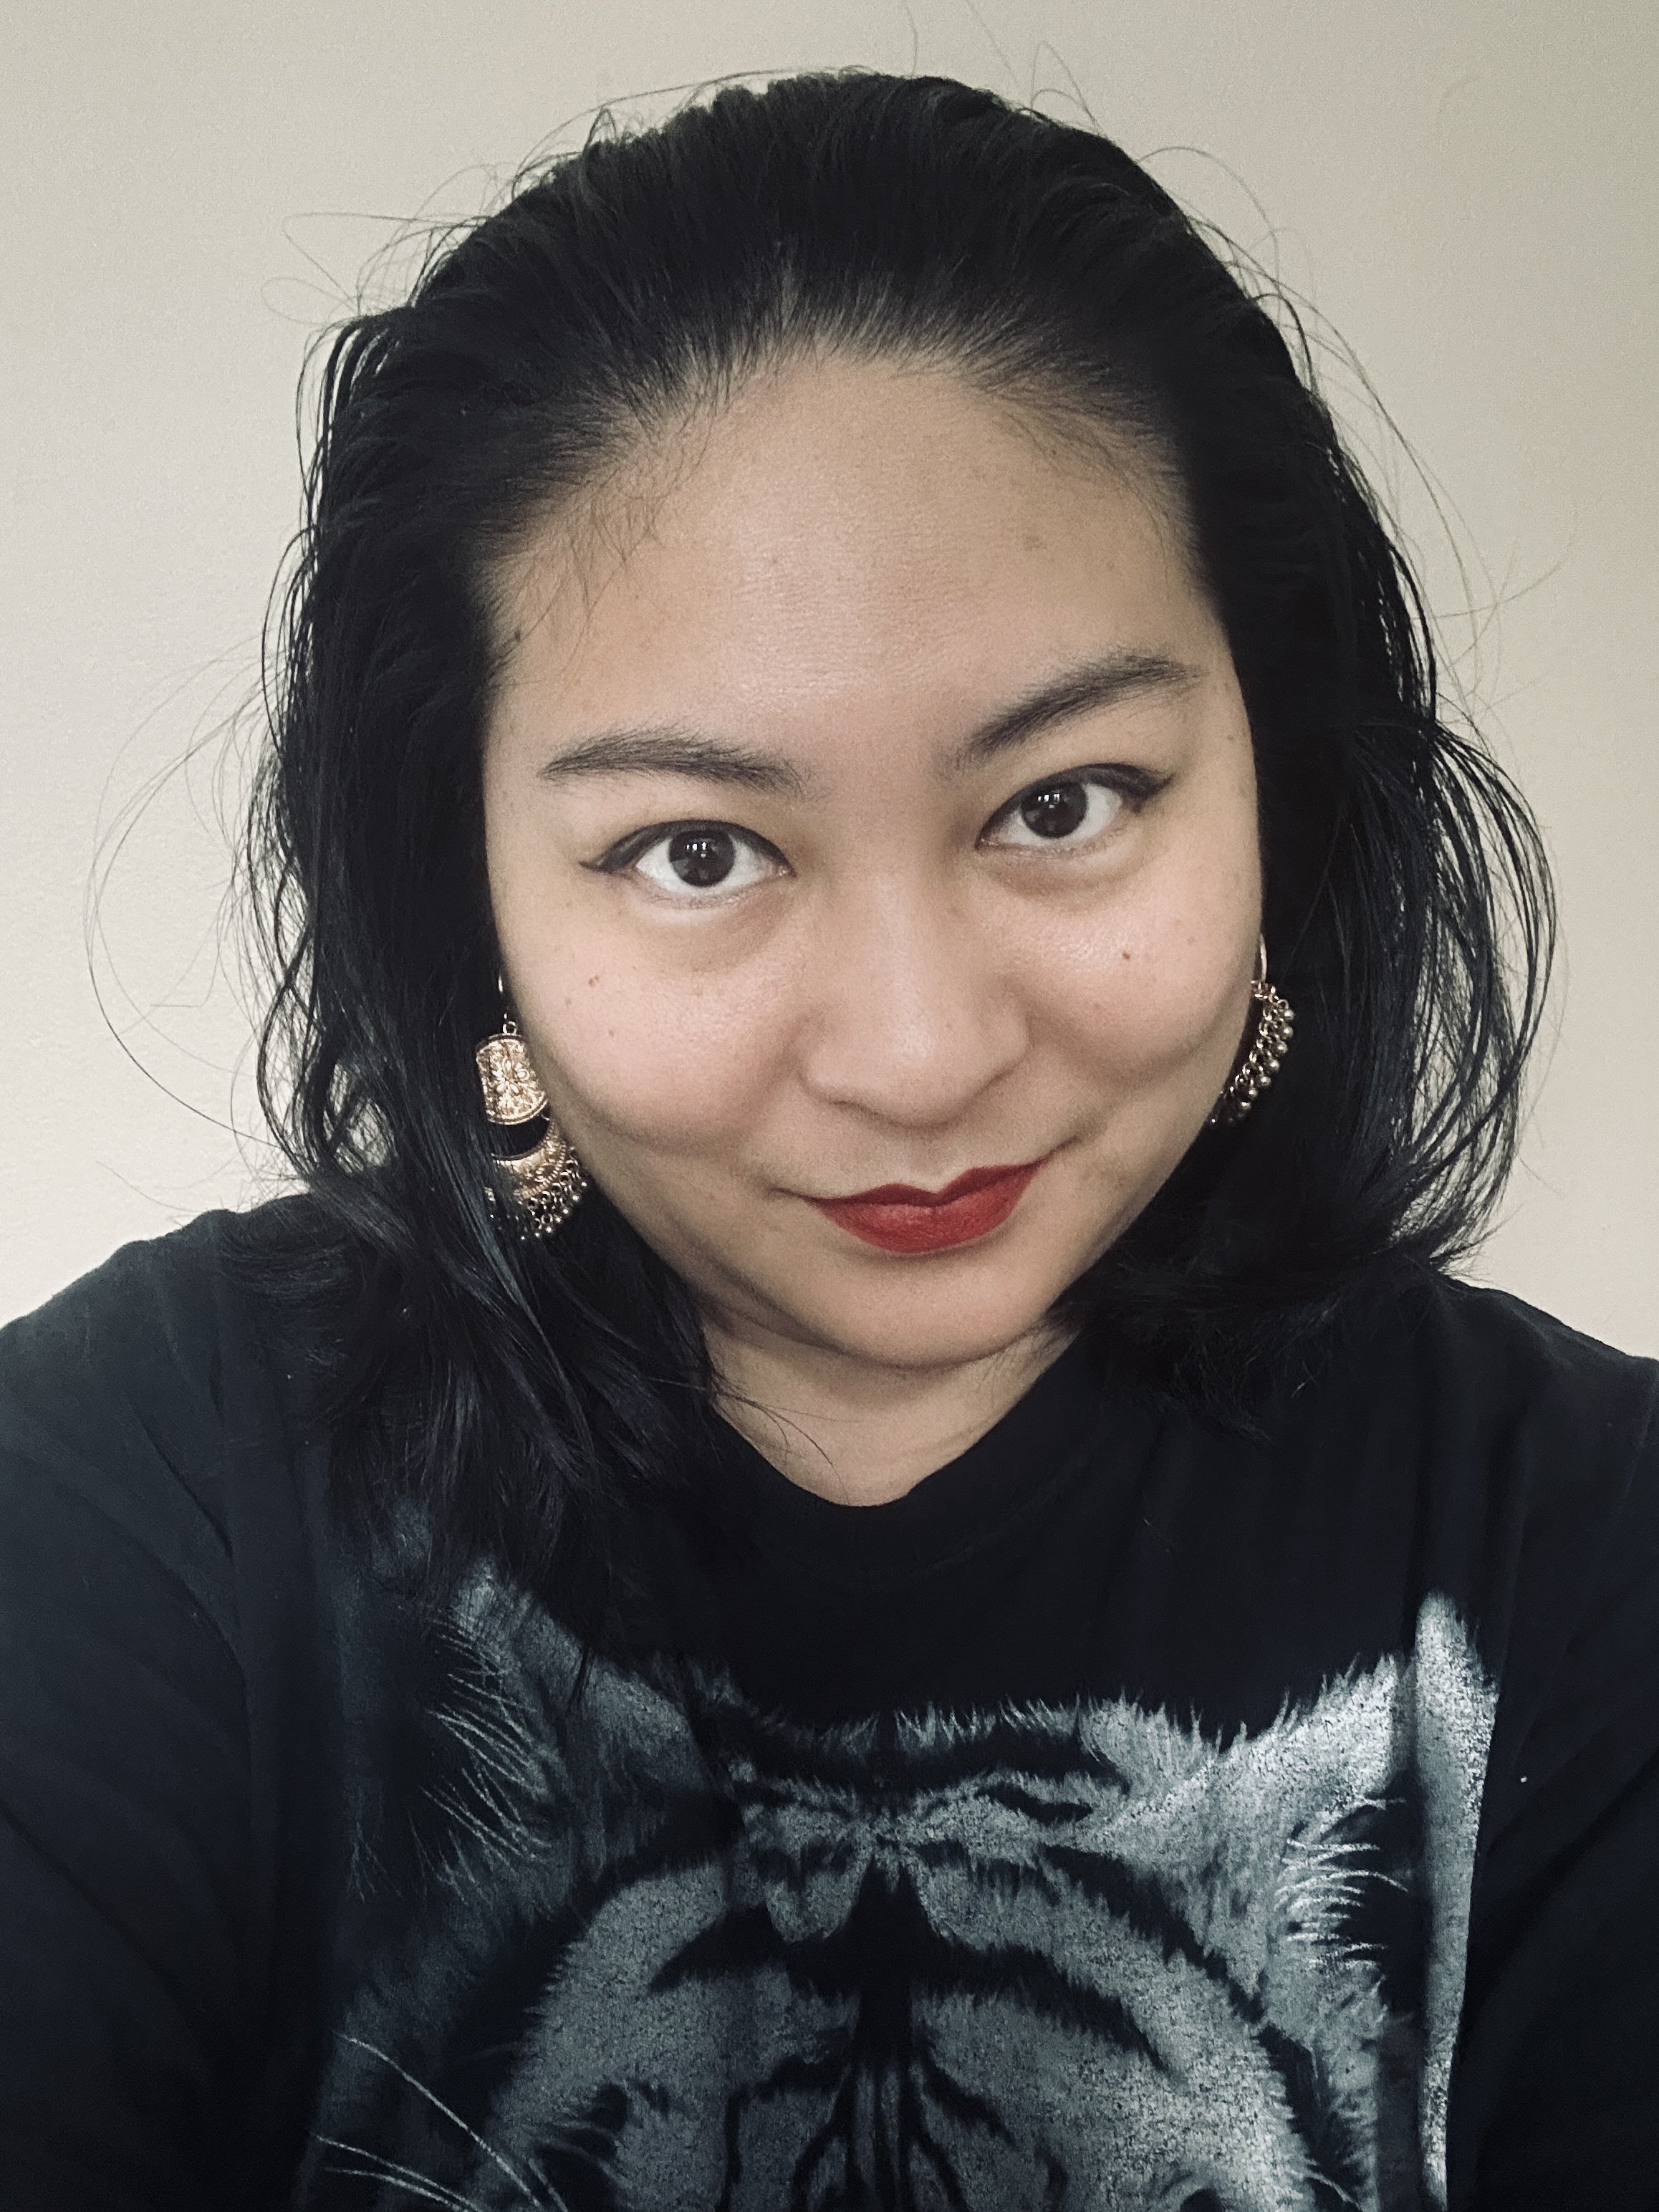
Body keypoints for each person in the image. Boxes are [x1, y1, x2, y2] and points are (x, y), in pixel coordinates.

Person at [1, 65, 1653, 2212]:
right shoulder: (144, 1497)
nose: (917, 1054)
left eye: (1061, 802)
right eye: (697, 849)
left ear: (1285, 787)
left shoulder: (1590, 1558)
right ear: (469, 904)